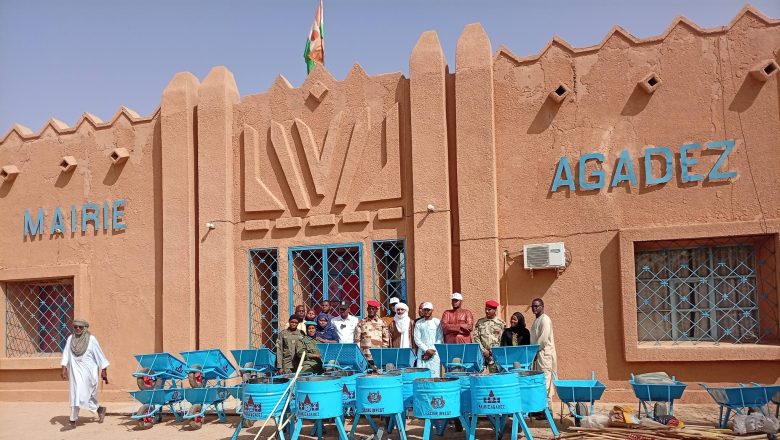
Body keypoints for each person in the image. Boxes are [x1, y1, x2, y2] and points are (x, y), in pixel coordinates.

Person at [60, 319, 109, 430]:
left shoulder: (91, 339)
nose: (77, 329)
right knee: (75, 394)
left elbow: (100, 355)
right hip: (74, 371)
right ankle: (72, 420)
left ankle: (99, 409)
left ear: (85, 328)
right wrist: (63, 368)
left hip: (88, 372)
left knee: (83, 395)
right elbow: (66, 354)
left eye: (80, 327)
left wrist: (104, 370)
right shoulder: (70, 338)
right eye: (75, 327)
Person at [530, 298, 557, 412]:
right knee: (539, 381)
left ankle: (547, 410)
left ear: (542, 306)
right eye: (533, 306)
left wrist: (535, 351)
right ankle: (541, 408)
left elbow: (543, 339)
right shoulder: (537, 320)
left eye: (537, 306)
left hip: (544, 355)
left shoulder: (545, 319)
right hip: (537, 355)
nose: (535, 308)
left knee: (545, 381)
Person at [355, 300, 390, 367]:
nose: (371, 310)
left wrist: (383, 353)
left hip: (378, 355)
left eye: (373, 309)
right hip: (365, 355)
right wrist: (359, 354)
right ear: (367, 309)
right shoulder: (361, 322)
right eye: (369, 308)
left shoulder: (382, 323)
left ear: (376, 310)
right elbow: (357, 340)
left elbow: (386, 339)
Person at [474, 300, 505, 373]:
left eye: (489, 309)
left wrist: (491, 352)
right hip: (482, 355)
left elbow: (502, 340)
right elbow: (476, 337)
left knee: (495, 377)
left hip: (495, 356)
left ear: (495, 310)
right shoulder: (480, 322)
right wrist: (484, 351)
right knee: (480, 377)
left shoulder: (501, 323)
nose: (487, 311)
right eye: (486, 309)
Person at [413, 302, 443, 377]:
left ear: (432, 310)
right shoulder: (419, 323)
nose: (426, 312)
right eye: (425, 310)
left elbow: (440, 338)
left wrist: (431, 351)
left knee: (434, 375)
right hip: (422, 352)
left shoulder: (437, 322)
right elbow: (417, 339)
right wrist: (426, 350)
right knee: (422, 376)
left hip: (434, 352)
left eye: (428, 310)